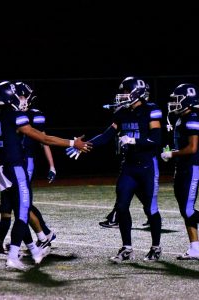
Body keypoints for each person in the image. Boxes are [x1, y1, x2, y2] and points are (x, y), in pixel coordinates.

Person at [0, 81, 92, 270]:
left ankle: (34, 249)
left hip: (2, 170)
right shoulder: (17, 116)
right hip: (16, 168)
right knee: (22, 213)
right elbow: (44, 139)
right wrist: (71, 143)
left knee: (20, 209)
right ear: (10, 97)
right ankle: (13, 256)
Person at [67, 76, 163, 262]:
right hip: (128, 167)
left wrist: (135, 140)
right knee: (121, 206)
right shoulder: (122, 113)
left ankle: (156, 247)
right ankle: (127, 248)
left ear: (137, 92)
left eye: (126, 91)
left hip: (147, 166)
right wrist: (85, 145)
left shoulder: (152, 110)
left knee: (150, 209)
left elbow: (156, 140)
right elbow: (106, 135)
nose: (123, 95)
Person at [0, 82, 57, 256]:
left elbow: (44, 140)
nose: (19, 100)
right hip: (8, 163)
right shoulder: (6, 116)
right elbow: (0, 145)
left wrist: (52, 165)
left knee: (21, 204)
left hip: (23, 162)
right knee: (10, 205)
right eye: (17, 96)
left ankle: (42, 237)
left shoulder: (31, 116)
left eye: (21, 96)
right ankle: (12, 244)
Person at [161, 83, 199, 260]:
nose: (174, 103)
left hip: (191, 169)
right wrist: (173, 154)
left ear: (189, 101)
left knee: (189, 210)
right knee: (185, 210)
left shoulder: (193, 118)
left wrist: (172, 153)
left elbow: (192, 148)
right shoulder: (181, 118)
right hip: (181, 168)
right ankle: (195, 248)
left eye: (178, 99)